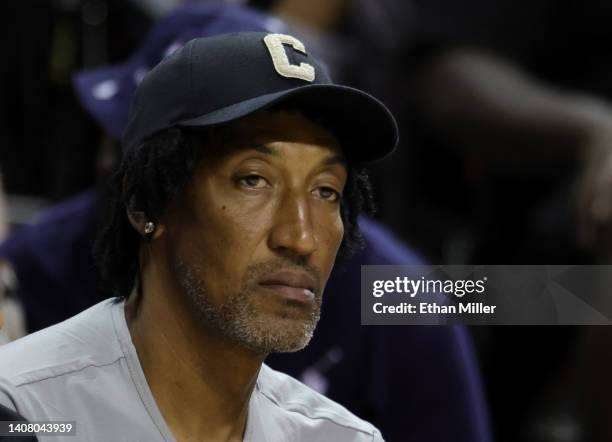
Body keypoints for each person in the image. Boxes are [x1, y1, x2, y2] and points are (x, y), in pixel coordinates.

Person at [0, 31, 398, 441]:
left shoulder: (341, 438)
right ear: (144, 204)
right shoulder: (22, 411)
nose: (301, 238)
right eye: (253, 180)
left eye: (325, 191)